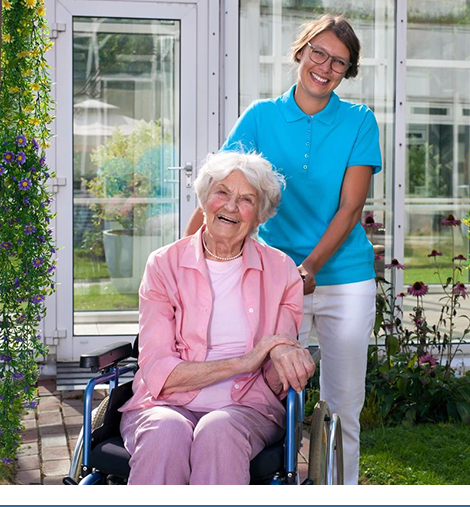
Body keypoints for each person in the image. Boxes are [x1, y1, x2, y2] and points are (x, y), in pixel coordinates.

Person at [185, 14, 382, 484]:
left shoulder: (359, 121)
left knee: (342, 404)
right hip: (271, 278)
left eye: (339, 62)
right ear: (301, 51)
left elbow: (351, 208)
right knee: (262, 392)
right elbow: (220, 193)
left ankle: (341, 490)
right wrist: (179, 259)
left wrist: (310, 267)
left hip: (344, 278)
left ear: (347, 72)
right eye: (319, 52)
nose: (325, 66)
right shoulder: (260, 118)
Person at [119, 151, 315, 485]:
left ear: (258, 217)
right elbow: (158, 373)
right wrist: (245, 361)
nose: (229, 206)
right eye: (222, 192)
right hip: (164, 404)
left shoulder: (281, 269)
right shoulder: (164, 264)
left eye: (246, 199)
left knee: (218, 431)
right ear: (205, 200)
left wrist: (285, 355)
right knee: (165, 433)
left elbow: (277, 361)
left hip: (247, 408)